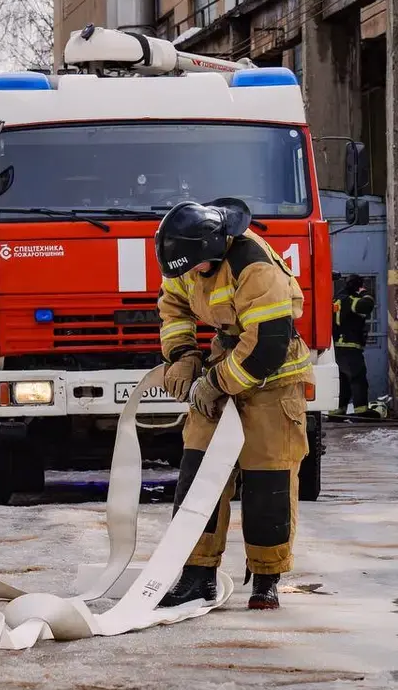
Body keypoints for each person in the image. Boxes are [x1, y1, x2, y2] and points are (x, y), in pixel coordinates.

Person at [154, 198, 314, 611]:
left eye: (198, 267)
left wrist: (215, 384)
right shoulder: (188, 260)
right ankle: (196, 575)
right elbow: (173, 309)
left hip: (273, 384)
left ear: (216, 247)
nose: (192, 275)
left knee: (268, 483)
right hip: (222, 368)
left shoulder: (254, 266)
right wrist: (183, 355)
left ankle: (266, 579)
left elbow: (266, 347)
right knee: (198, 475)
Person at [331, 274, 376, 416]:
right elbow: (367, 305)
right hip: (350, 347)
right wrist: (365, 292)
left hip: (337, 348)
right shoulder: (350, 300)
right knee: (358, 378)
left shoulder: (336, 299)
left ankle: (338, 411)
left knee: (343, 380)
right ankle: (361, 412)